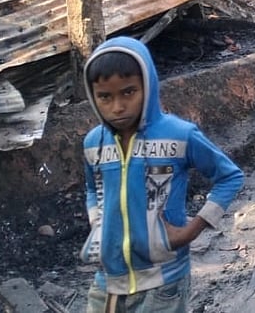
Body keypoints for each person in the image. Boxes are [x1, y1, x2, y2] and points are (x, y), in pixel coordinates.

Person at [81, 36, 243, 312]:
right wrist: (99, 227)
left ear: (148, 86)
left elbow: (230, 177)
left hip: (164, 283)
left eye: (128, 92)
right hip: (107, 282)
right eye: (105, 97)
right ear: (93, 96)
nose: (117, 106)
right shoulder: (93, 142)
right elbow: (91, 189)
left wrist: (193, 229)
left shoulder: (179, 135)